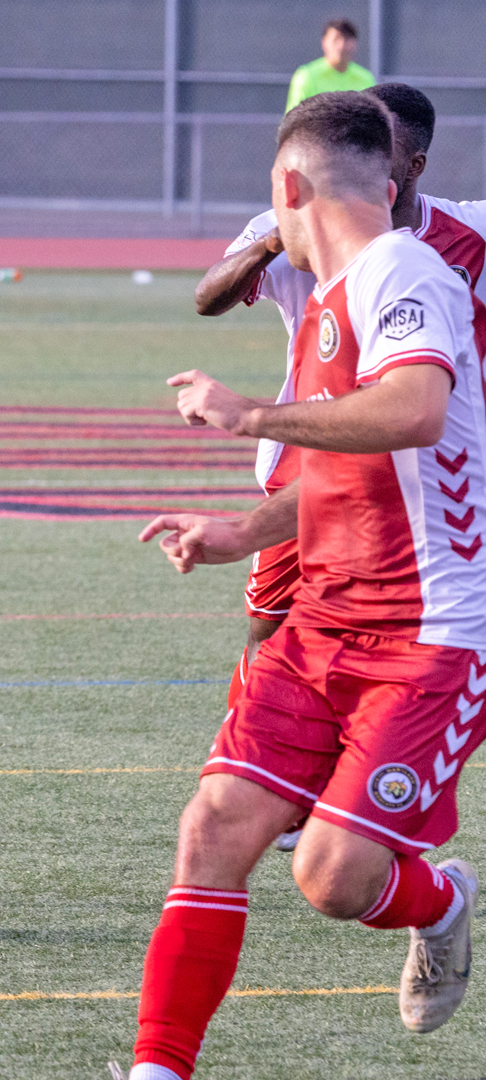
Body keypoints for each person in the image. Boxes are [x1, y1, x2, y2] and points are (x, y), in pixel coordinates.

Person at [129, 92, 486, 1080]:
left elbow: (413, 411)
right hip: (323, 624)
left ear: (289, 188)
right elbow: (347, 459)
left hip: (435, 636)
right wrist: (241, 530)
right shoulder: (328, 294)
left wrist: (248, 417)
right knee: (212, 828)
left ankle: (443, 903)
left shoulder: (406, 270)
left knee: (332, 879)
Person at [193, 84, 486, 848]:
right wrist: (271, 238)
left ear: (409, 166)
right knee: (271, 621)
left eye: (380, 148)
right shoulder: (294, 224)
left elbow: (417, 405)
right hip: (308, 467)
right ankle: (274, 776)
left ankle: (358, 794)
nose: (357, 157)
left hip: (425, 475)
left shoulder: (453, 244)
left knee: (414, 638)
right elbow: (206, 298)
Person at [286, 18, 375, 112]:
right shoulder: (307, 76)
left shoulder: (366, 78)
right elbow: (294, 119)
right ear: (324, 42)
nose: (342, 45)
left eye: (347, 39)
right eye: (336, 39)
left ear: (355, 43)